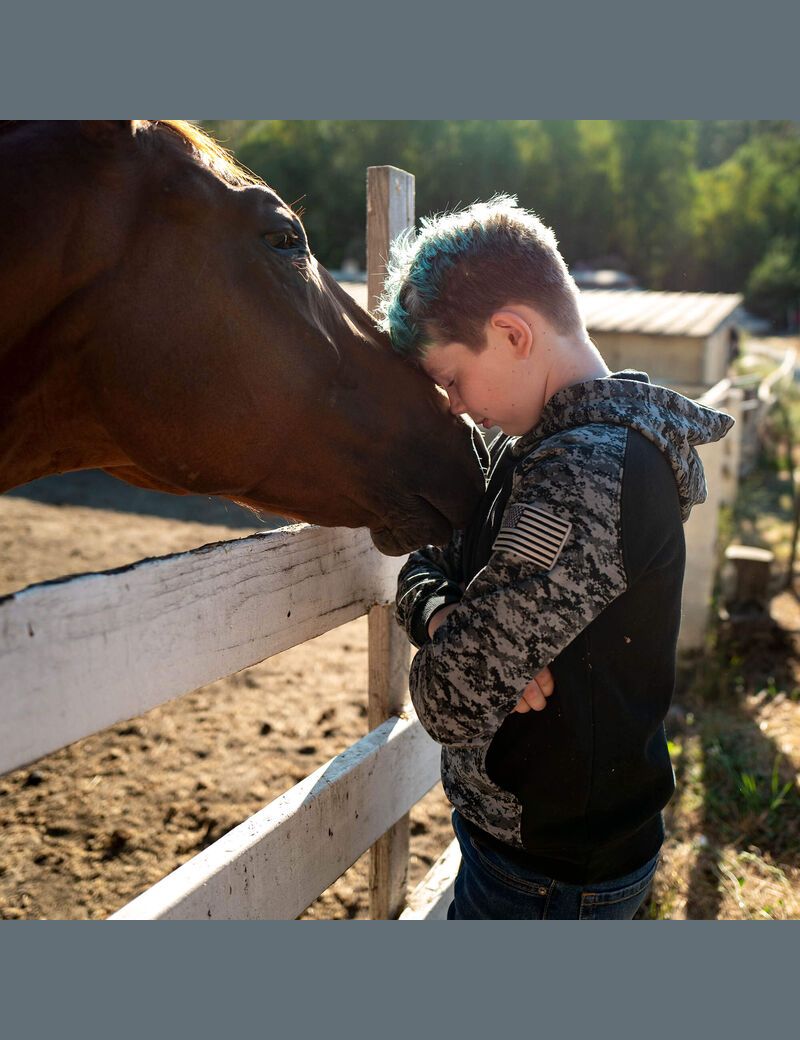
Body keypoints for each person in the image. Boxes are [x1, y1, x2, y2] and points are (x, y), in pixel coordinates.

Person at [377, 196, 734, 920]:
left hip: (547, 877)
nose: (451, 405)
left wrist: (459, 643)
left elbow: (448, 699)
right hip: (532, 853)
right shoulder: (534, 449)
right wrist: (448, 613)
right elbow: (424, 565)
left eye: (450, 378)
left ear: (511, 333)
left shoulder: (586, 474)